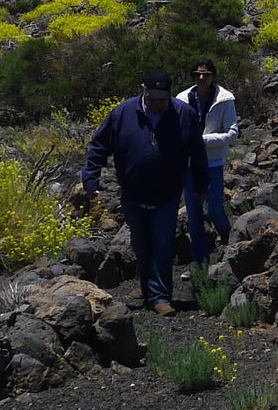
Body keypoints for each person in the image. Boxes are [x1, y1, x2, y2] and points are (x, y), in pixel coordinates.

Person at [79, 68, 212, 315]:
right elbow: (98, 146)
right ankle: (145, 285)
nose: (159, 103)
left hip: (167, 192)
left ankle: (160, 297)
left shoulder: (184, 115)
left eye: (164, 97)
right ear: (143, 90)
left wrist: (201, 183)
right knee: (141, 244)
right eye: (154, 97)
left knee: (162, 244)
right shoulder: (123, 113)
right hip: (133, 192)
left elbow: (197, 151)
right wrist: (91, 180)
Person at [178, 58, 239, 273]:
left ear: (213, 76)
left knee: (214, 210)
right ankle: (200, 261)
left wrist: (204, 141)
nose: (201, 78)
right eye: (197, 74)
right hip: (189, 163)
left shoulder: (224, 99)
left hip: (213, 161)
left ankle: (228, 240)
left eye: (206, 74)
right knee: (194, 214)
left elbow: (233, 132)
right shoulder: (182, 99)